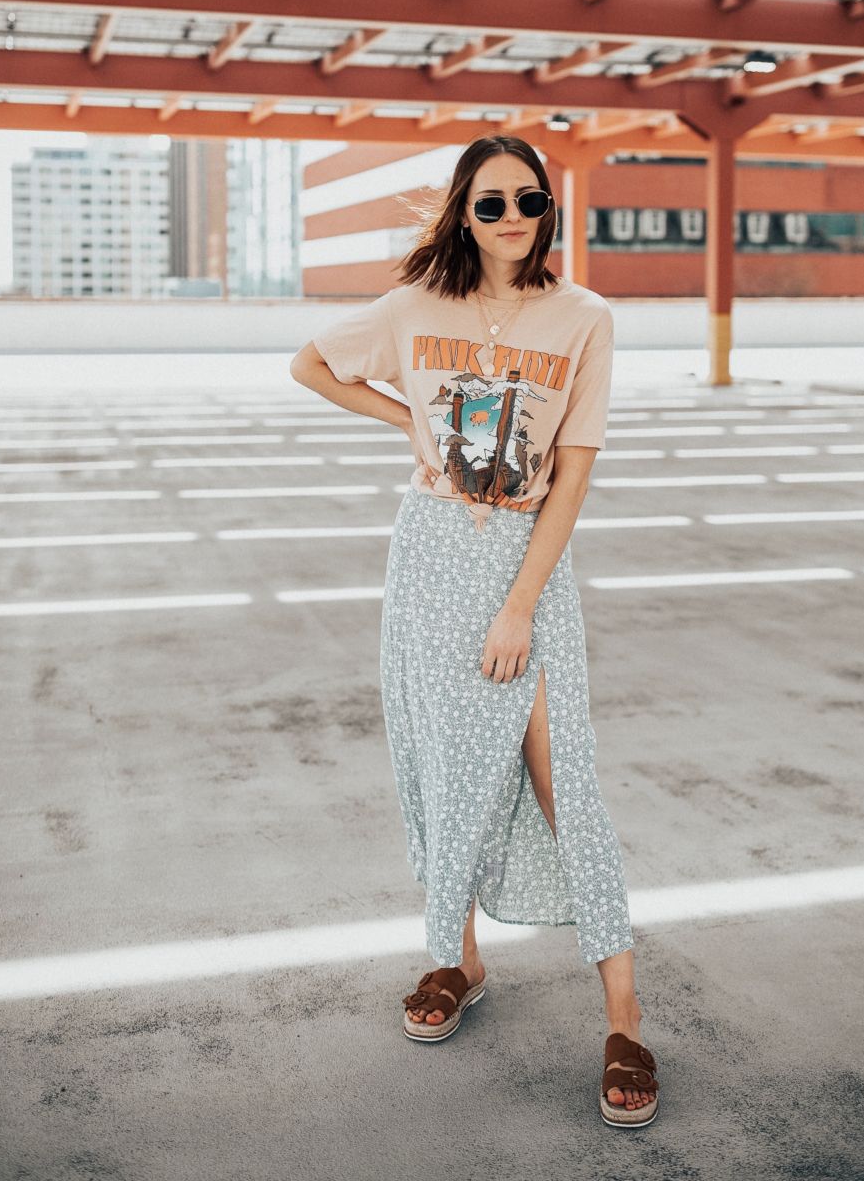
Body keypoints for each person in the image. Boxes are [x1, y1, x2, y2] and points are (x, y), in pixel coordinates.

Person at [290, 134, 659, 1128]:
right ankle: (455, 958)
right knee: (445, 762)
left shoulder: (582, 317)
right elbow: (310, 363)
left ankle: (623, 1014)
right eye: (487, 204)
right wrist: (408, 423)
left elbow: (572, 470)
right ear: (461, 212)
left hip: (519, 566)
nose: (508, 220)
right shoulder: (417, 307)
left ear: (548, 209)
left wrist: (518, 605)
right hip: (428, 558)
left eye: (525, 202)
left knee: (559, 776)